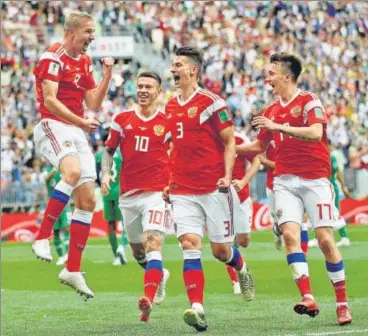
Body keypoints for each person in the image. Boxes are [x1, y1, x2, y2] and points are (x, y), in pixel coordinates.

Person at [237, 53, 352, 326]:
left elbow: (314, 133)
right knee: (290, 235)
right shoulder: (270, 110)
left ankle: (342, 304)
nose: (267, 79)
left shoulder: (309, 100)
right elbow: (257, 148)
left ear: (287, 77)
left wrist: (278, 126)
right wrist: (224, 149)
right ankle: (308, 297)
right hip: (285, 180)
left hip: (315, 179)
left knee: (325, 240)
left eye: (271, 74)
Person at [164, 46, 251, 332]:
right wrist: (168, 180)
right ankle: (197, 309)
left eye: (178, 64)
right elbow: (171, 147)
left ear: (193, 70)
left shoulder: (212, 103)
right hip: (182, 190)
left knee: (220, 251)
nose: (173, 69)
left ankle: (241, 268)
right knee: (189, 245)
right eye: (172, 64)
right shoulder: (170, 105)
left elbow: (229, 142)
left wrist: (227, 175)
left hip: (213, 188)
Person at [32, 11, 114, 300]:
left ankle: (72, 269)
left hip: (77, 130)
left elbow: (92, 101)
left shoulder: (85, 60)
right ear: (72, 32)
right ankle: (42, 236)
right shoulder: (52, 57)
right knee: (73, 173)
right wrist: (80, 123)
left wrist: (106, 75)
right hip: (52, 125)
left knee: (88, 200)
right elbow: (51, 101)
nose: (93, 36)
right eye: (89, 31)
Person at [101, 72, 170, 323]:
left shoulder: (167, 121)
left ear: (158, 92)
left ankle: (147, 302)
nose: (142, 90)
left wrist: (173, 184)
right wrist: (106, 174)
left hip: (156, 193)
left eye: (148, 87)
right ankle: (160, 276)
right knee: (139, 253)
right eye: (140, 86)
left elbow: (177, 154)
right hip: (128, 195)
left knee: (152, 242)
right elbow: (109, 151)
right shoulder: (121, 119)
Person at [226, 131, 258, 296]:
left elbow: (256, 161)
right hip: (219, 197)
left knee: (243, 241)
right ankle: (236, 281)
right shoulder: (208, 139)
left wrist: (244, 181)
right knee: (225, 242)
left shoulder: (239, 139)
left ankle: (237, 260)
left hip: (241, 196)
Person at [309, 143, 352, 248]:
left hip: (330, 188)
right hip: (320, 188)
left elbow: (338, 172)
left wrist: (343, 186)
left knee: (334, 212)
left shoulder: (329, 156)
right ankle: (319, 238)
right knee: (320, 213)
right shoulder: (317, 156)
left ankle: (344, 237)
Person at [95, 138, 128, 266]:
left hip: (107, 192)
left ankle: (116, 256)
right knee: (125, 222)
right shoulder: (122, 154)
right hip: (120, 191)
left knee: (110, 224)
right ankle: (122, 247)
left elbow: (97, 174)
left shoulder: (99, 155)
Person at [43, 166, 71, 266]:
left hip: (64, 203)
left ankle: (68, 254)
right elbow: (46, 178)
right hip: (52, 204)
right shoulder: (47, 169)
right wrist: (55, 169)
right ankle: (61, 256)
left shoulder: (64, 168)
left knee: (67, 228)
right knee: (56, 231)